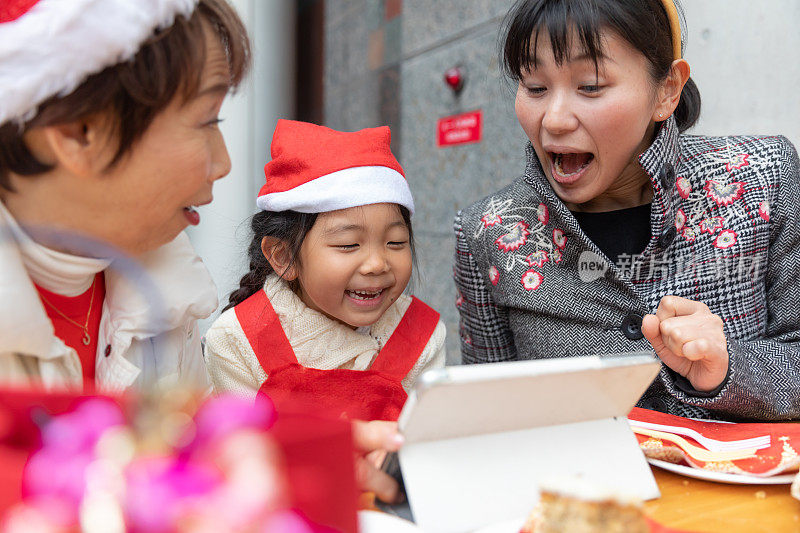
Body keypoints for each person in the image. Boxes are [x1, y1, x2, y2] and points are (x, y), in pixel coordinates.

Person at [453, 0, 800, 421]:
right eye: (535, 87)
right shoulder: (488, 232)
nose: (555, 119)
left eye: (591, 86)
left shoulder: (763, 179)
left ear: (667, 90)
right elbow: (486, 415)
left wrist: (729, 369)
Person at [0, 0, 250, 391]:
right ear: (79, 131)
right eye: (207, 121)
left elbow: (191, 447)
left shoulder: (168, 287)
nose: (223, 164)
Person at [204, 119, 446, 419]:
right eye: (348, 244)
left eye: (395, 242)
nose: (377, 264)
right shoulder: (237, 341)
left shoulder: (420, 333)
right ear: (283, 256)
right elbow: (241, 452)